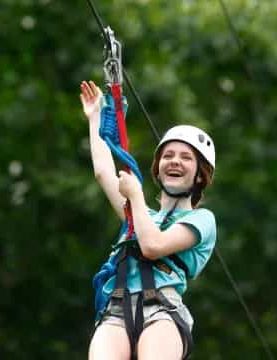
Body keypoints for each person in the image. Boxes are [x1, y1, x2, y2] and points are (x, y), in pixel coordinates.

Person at [80, 80, 217, 360]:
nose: (175, 161)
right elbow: (104, 173)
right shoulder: (140, 215)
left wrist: (136, 196)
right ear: (158, 169)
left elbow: (153, 245)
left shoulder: (203, 220)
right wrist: (95, 118)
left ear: (200, 174)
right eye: (168, 156)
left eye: (186, 158)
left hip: (162, 310)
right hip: (115, 310)